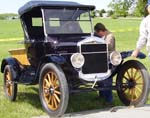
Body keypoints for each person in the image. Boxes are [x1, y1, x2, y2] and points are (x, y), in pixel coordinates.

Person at [94, 23, 115, 103]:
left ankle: (109, 100)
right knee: (100, 78)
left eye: (97, 32)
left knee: (107, 80)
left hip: (108, 60)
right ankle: (101, 95)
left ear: (101, 31)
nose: (97, 34)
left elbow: (108, 47)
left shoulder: (110, 36)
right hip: (100, 59)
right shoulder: (102, 36)